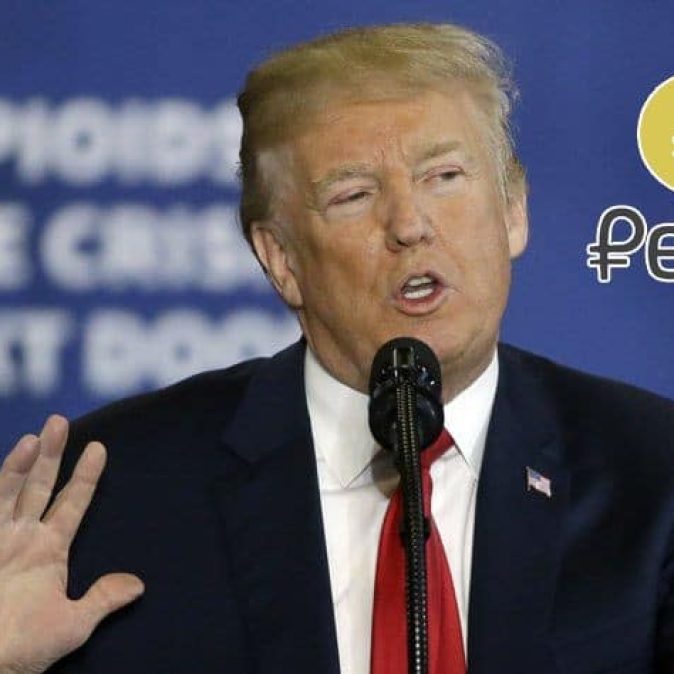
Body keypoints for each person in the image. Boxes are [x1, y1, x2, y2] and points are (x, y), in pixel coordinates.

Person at [1, 22, 674, 674]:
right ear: (281, 259)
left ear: (513, 211)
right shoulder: (114, 501)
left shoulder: (654, 473)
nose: (409, 224)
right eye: (353, 195)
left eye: (444, 176)